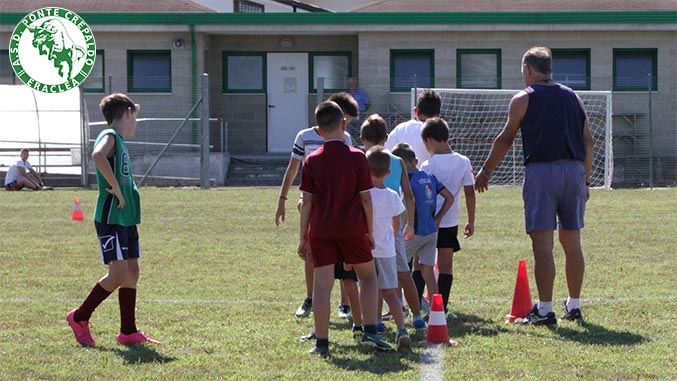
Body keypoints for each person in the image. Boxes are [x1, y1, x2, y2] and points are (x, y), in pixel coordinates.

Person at [474, 47, 593, 325]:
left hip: (542, 172)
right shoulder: (573, 96)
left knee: (543, 244)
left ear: (528, 70)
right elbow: (588, 140)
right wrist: (585, 179)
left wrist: (486, 171)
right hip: (574, 170)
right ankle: (574, 305)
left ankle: (545, 309)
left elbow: (505, 139)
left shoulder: (523, 98)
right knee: (572, 242)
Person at [298, 101, 392, 356]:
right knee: (369, 277)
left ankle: (322, 344)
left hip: (321, 230)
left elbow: (307, 202)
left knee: (322, 285)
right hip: (352, 228)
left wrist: (302, 237)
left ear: (318, 131)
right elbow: (365, 198)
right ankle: (370, 332)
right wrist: (369, 232)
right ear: (343, 124)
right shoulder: (358, 156)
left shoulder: (311, 160)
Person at [66, 93, 160, 346]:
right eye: (135, 116)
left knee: (132, 271)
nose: (136, 122)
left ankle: (128, 332)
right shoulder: (110, 136)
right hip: (112, 216)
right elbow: (97, 156)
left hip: (126, 217)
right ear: (127, 113)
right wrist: (117, 188)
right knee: (118, 273)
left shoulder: (118, 140)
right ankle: (79, 316)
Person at [275, 92, 360, 321]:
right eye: (347, 119)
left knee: (344, 256)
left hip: (339, 206)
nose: (347, 125)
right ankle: (311, 298)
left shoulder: (346, 139)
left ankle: (345, 304)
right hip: (313, 205)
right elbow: (293, 169)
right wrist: (282, 201)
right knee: (311, 252)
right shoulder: (304, 137)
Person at [359, 114, 426, 331]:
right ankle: (415, 316)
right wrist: (411, 224)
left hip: (371, 227)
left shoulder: (362, 161)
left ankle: (376, 320)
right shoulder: (397, 161)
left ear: (362, 138)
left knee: (372, 278)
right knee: (402, 274)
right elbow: (409, 194)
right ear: (386, 137)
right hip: (392, 226)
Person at [420, 117, 476, 318]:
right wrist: (471, 220)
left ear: (429, 141)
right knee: (446, 266)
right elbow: (470, 192)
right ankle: (441, 307)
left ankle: (417, 307)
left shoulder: (427, 165)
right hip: (450, 222)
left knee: (421, 263)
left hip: (428, 222)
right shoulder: (463, 161)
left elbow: (422, 195)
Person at [391, 142, 454, 316]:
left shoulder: (405, 181)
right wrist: (439, 217)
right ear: (415, 160)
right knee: (428, 272)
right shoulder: (429, 176)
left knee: (396, 270)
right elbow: (449, 197)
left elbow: (405, 202)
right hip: (431, 231)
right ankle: (437, 310)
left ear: (399, 165)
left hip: (413, 232)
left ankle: (398, 309)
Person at [365, 146, 410, 351]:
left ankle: (373, 325)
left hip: (367, 251)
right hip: (387, 251)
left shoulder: (363, 196)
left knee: (369, 289)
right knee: (391, 292)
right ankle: (402, 329)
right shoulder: (392, 195)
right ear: (389, 173)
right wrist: (391, 236)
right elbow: (397, 222)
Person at [385, 89, 441, 169]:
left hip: (402, 178)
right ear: (438, 115)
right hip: (427, 179)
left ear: (415, 111)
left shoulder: (401, 129)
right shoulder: (438, 134)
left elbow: (385, 151)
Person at [347, 78, 370, 146]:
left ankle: (360, 144)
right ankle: (351, 144)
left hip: (360, 114)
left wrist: (363, 112)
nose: (352, 86)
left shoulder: (361, 93)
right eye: (350, 84)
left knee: (359, 130)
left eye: (353, 84)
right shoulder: (347, 94)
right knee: (349, 130)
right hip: (350, 114)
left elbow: (367, 104)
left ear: (356, 85)